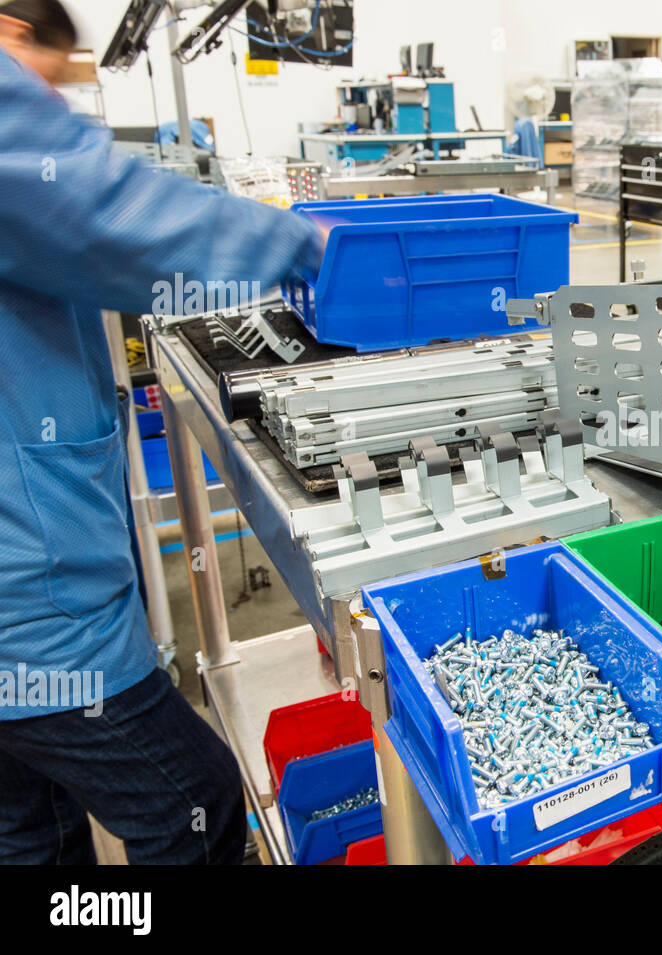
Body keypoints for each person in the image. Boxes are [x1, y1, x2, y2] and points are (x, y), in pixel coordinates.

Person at [0, 0, 325, 864]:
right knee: (196, 805)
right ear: (10, 29)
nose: (49, 110)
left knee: (30, 832)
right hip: (31, 607)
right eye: (47, 85)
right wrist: (305, 243)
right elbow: (109, 217)